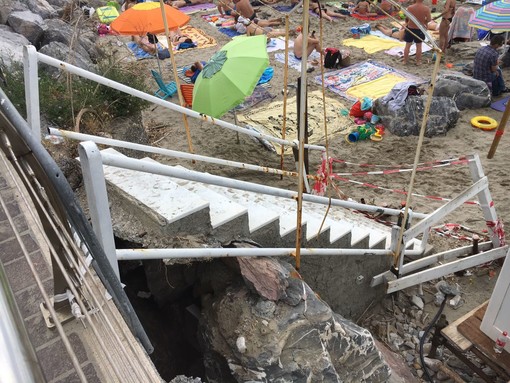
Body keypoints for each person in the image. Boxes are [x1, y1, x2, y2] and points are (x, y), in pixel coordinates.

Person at [403, 0, 431, 66]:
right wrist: (424, 22)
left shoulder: (410, 7)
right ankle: (418, 61)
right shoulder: (426, 8)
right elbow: (429, 19)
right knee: (419, 46)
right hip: (419, 29)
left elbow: (407, 18)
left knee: (407, 45)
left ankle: (405, 61)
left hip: (410, 28)